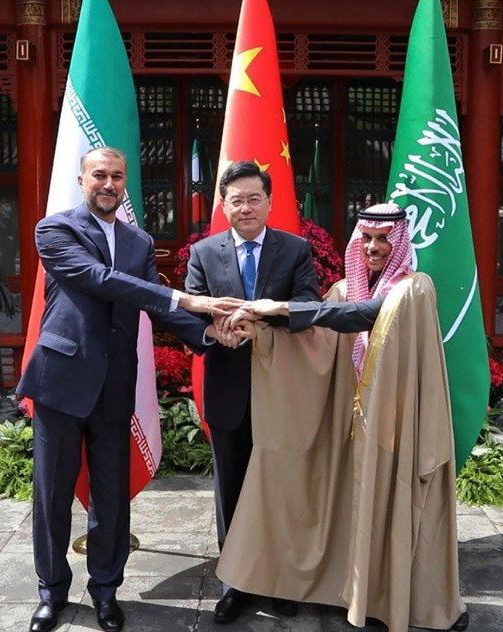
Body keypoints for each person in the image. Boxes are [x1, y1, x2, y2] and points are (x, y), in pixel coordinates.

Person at [16, 147, 241, 632]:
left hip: (115, 383)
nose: (109, 183)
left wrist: (207, 333)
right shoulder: (54, 230)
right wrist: (185, 294)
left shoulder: (139, 241)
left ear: (125, 185)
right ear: (82, 180)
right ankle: (51, 593)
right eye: (100, 174)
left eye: (118, 177)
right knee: (52, 496)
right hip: (61, 379)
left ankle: (105, 592)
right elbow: (100, 280)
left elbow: (156, 308)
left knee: (111, 497)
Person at [218, 202, 469, 631]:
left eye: (383, 239)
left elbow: (367, 315)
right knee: (347, 503)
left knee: (393, 504)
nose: (373, 247)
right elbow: (316, 339)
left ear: (400, 241)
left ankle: (400, 600)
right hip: (349, 424)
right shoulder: (340, 289)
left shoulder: (414, 288)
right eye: (366, 239)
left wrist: (276, 308)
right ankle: (352, 592)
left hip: (395, 424)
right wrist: (261, 330)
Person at [184, 160, 321, 624]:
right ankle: (236, 582)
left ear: (269, 202)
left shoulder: (294, 249)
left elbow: (309, 307)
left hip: (281, 389)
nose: (246, 207)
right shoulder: (203, 253)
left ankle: (279, 578)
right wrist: (212, 333)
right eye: (236, 200)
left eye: (254, 198)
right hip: (228, 387)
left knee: (279, 487)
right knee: (233, 490)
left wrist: (263, 319)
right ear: (223, 205)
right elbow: (189, 312)